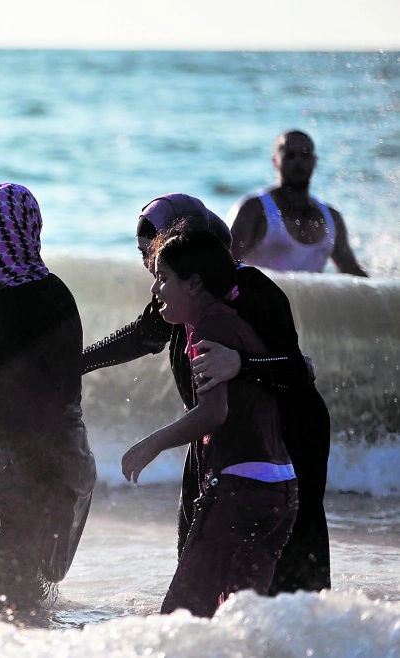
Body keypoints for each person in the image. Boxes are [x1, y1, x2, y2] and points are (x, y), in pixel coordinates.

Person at [83, 193, 331, 594]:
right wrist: (77, 363)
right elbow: (143, 336)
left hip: (287, 438)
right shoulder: (180, 295)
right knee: (196, 544)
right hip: (217, 436)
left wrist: (242, 364)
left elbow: (297, 370)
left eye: (156, 255)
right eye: (147, 257)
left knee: (295, 560)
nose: (151, 269)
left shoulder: (248, 292)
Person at [122, 229, 298, 617]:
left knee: (180, 620)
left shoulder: (208, 331)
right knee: (238, 620)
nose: (156, 288)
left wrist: (152, 443)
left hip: (240, 490)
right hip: (280, 491)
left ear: (194, 284)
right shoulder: (236, 323)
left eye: (164, 278)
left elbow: (212, 413)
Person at [0, 183, 96, 610]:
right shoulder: (57, 291)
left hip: (24, 477)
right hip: (70, 461)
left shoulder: (6, 303)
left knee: (2, 606)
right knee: (32, 603)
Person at [228, 130, 368, 276]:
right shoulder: (254, 210)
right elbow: (225, 263)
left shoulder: (332, 218)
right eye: (290, 156)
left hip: (311, 299)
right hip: (260, 298)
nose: (298, 162)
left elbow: (352, 274)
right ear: (275, 161)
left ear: (314, 161)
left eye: (305, 155)